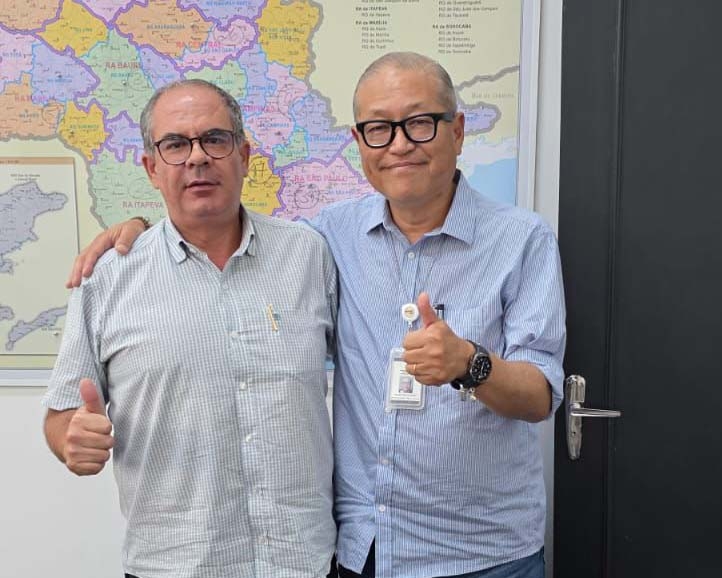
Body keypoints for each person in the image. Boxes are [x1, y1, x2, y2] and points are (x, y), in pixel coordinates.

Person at [68, 53, 566, 578]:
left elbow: (540, 396)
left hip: (484, 554)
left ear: (457, 131)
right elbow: (219, 230)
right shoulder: (328, 238)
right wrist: (143, 231)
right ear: (359, 142)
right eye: (379, 128)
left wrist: (469, 363)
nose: (399, 144)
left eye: (420, 123)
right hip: (365, 551)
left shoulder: (521, 239)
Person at [44, 79, 337, 578]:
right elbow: (61, 415)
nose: (197, 157)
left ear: (244, 156)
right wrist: (70, 440)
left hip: (302, 562)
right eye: (176, 144)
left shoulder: (308, 256)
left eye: (215, 139)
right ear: (151, 168)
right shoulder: (109, 278)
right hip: (174, 565)